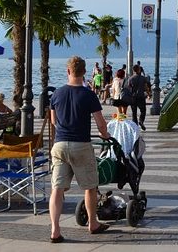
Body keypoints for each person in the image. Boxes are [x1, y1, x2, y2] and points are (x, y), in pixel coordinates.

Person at [49, 56, 111, 243]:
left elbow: (53, 121)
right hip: (81, 145)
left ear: (68, 71)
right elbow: (100, 124)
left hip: (59, 145)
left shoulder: (56, 94)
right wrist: (106, 135)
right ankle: (93, 223)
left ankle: (55, 230)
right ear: (84, 72)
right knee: (90, 187)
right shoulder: (88, 95)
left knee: (57, 189)